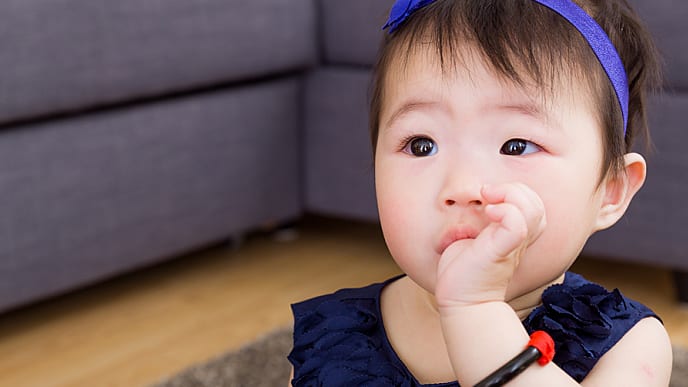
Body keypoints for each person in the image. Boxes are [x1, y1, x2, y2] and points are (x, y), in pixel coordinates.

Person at [288, 0, 673, 385]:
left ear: (610, 191)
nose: (462, 187)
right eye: (422, 144)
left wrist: (476, 311)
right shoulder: (331, 336)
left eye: (516, 145)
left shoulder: (628, 345)